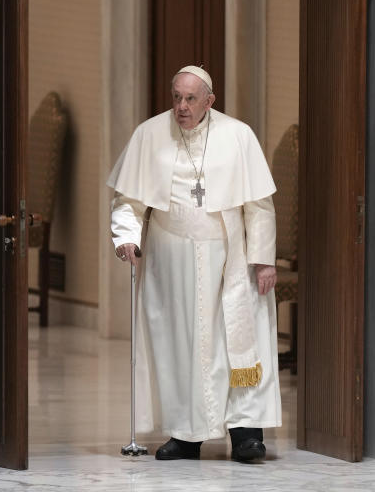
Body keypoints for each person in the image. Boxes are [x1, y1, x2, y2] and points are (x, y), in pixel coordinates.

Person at [108, 65, 280, 463]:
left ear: (209, 101)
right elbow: (128, 200)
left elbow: (259, 206)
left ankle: (245, 433)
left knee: (235, 343)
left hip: (230, 257)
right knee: (178, 345)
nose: (181, 107)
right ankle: (186, 436)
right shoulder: (149, 135)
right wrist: (126, 237)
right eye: (176, 98)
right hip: (171, 260)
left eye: (190, 99)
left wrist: (264, 260)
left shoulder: (238, 136)